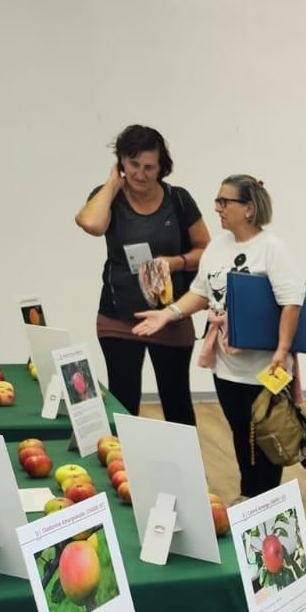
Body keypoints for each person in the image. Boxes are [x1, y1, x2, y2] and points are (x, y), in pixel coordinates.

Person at [133, 175, 302, 499]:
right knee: (242, 432)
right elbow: (200, 292)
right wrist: (168, 314)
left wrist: (283, 349)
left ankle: (263, 501)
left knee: (267, 436)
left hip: (266, 366)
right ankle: (248, 495)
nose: (217, 208)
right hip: (227, 367)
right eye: (218, 200)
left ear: (249, 208)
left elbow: (292, 300)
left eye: (225, 202)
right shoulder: (218, 247)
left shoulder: (271, 249)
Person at [75, 125, 209, 424]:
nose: (140, 173)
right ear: (121, 161)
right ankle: (124, 469)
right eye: (133, 164)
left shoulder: (178, 199)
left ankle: (184, 470)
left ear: (162, 167)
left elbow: (206, 250)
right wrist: (112, 184)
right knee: (124, 402)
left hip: (170, 316)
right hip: (118, 317)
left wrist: (175, 263)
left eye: (149, 167)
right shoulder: (107, 196)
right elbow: (92, 224)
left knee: (177, 403)